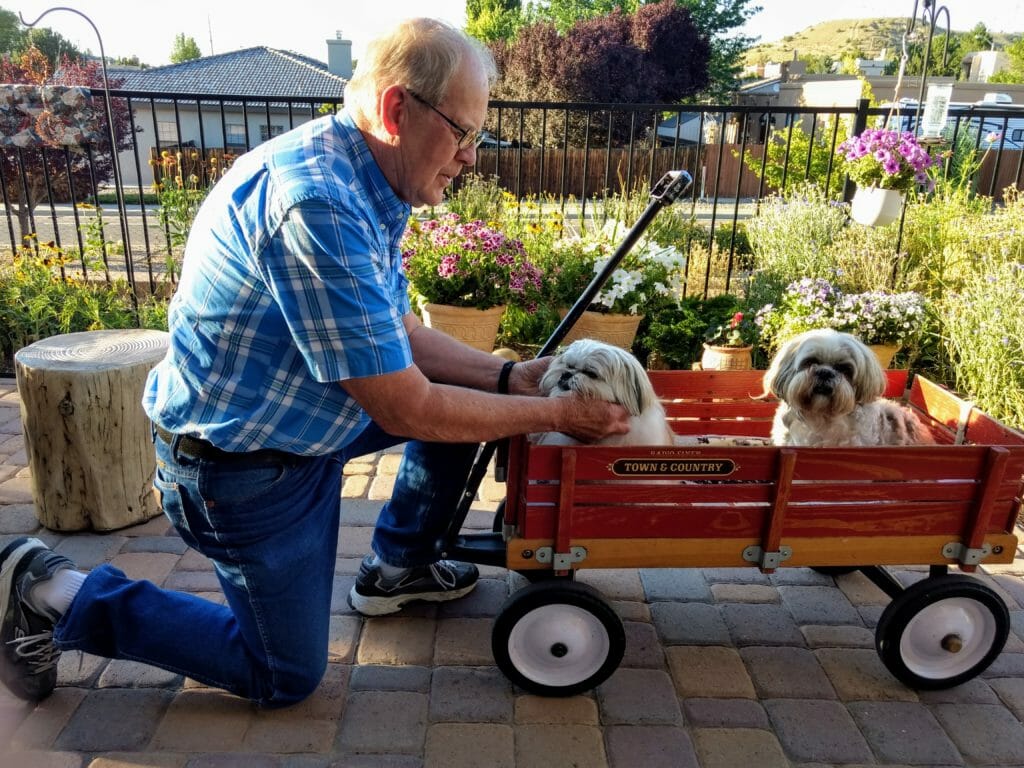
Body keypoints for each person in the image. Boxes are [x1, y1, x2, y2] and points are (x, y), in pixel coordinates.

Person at [0, 17, 630, 708]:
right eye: (464, 132)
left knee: (472, 391)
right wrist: (556, 412)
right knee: (285, 675)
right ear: (397, 110)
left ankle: (400, 566)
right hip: (242, 469)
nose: (472, 156)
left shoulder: (363, 176)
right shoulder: (319, 204)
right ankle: (46, 592)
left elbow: (389, 329)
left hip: (301, 417)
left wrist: (509, 379)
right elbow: (405, 406)